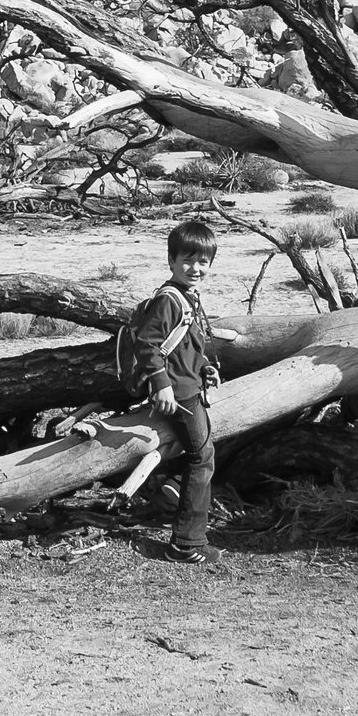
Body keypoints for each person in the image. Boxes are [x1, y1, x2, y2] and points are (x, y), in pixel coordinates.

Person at [129, 217, 224, 563]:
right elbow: (148, 345)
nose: (195, 268)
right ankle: (187, 542)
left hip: (188, 386)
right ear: (170, 261)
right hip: (179, 394)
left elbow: (184, 348)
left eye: (203, 262)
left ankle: (171, 500)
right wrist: (162, 386)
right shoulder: (170, 299)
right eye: (187, 260)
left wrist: (205, 370)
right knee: (202, 458)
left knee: (201, 455)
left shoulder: (187, 297)